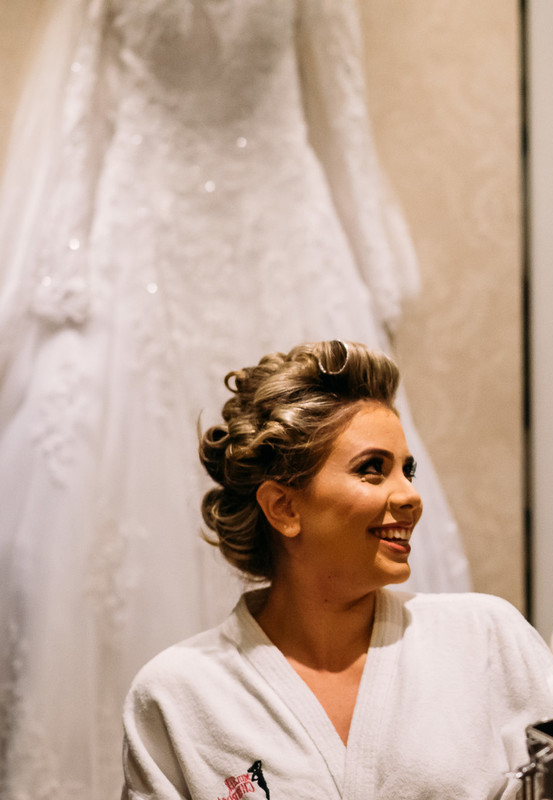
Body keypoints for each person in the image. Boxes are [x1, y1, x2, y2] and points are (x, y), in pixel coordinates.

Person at [0, 2, 469, 795]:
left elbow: (341, 105)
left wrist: (371, 248)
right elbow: (80, 103)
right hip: (142, 241)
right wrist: (63, 263)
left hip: (276, 225)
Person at [121, 340, 553, 800]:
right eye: (372, 469)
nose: (411, 496)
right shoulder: (177, 695)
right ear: (283, 507)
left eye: (407, 471)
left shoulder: (486, 636)